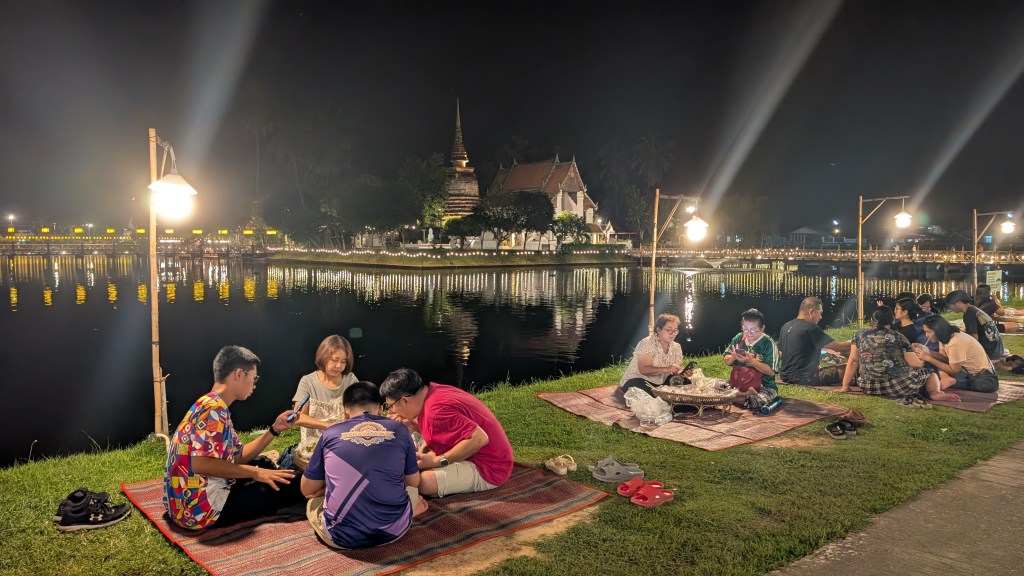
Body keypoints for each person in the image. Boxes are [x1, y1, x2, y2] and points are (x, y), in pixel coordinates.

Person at [164, 345, 303, 530]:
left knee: (263, 464)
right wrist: (255, 473)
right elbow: (201, 464)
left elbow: (238, 456)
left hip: (182, 505)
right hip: (200, 511)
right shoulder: (214, 410)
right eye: (254, 378)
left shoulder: (208, 403)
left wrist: (274, 429)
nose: (254, 384)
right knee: (293, 483)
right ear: (239, 374)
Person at [301, 381, 427, 549]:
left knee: (313, 502)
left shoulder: (330, 434)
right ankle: (407, 512)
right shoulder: (400, 430)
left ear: (345, 410)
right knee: (410, 490)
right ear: (380, 409)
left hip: (341, 537)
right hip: (394, 530)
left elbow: (306, 489)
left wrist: (330, 486)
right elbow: (413, 482)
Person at [380, 368, 513, 498]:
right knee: (413, 442)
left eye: (391, 406)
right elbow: (443, 428)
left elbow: (480, 438)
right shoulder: (433, 391)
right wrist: (413, 425)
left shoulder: (435, 412)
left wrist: (438, 461)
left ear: (405, 400)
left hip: (490, 467)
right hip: (484, 453)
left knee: (424, 482)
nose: (392, 411)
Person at [841, 307, 958, 402]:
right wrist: (922, 358)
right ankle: (935, 393)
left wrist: (845, 386)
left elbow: (853, 360)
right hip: (898, 387)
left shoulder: (859, 334)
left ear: (872, 319)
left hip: (868, 387)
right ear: (891, 320)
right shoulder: (899, 337)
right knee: (929, 373)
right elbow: (916, 364)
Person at [290, 335, 359, 469]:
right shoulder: (308, 381)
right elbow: (298, 417)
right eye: (335, 360)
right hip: (314, 445)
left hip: (344, 442)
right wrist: (328, 426)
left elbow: (360, 410)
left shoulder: (350, 380)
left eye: (343, 361)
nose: (339, 366)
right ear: (323, 356)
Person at [778, 297, 851, 385]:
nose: (820, 317)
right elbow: (837, 347)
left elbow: (781, 353)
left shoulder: (785, 326)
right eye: (820, 313)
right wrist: (855, 342)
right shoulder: (811, 328)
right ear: (811, 312)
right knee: (848, 368)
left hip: (785, 376)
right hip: (806, 378)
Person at [916, 315, 999, 393]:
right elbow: (944, 358)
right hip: (965, 372)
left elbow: (954, 370)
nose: (926, 335)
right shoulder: (945, 336)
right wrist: (927, 351)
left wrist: (929, 358)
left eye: (929, 332)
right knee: (931, 368)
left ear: (938, 331)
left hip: (976, 377)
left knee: (930, 376)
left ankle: (946, 379)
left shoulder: (955, 342)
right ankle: (945, 378)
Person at [618, 313, 692, 397]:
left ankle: (665, 396)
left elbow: (675, 371)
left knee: (687, 382)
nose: (673, 333)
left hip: (661, 382)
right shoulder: (647, 343)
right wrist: (667, 369)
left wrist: (682, 373)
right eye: (669, 330)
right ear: (659, 330)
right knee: (653, 394)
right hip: (639, 379)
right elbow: (643, 370)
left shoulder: (677, 347)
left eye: (675, 330)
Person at [722, 308, 780, 410]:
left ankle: (732, 397)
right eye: (745, 329)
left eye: (753, 330)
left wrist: (751, 361)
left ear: (762, 328)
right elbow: (726, 359)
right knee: (716, 386)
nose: (748, 333)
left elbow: (771, 372)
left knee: (756, 401)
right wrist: (733, 357)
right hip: (738, 384)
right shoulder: (739, 338)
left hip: (763, 387)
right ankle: (740, 395)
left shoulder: (768, 343)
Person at [946, 290, 1005, 360]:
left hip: (990, 352)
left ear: (959, 303)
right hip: (997, 348)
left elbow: (974, 339)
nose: (950, 308)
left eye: (950, 305)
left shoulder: (969, 314)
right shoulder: (974, 309)